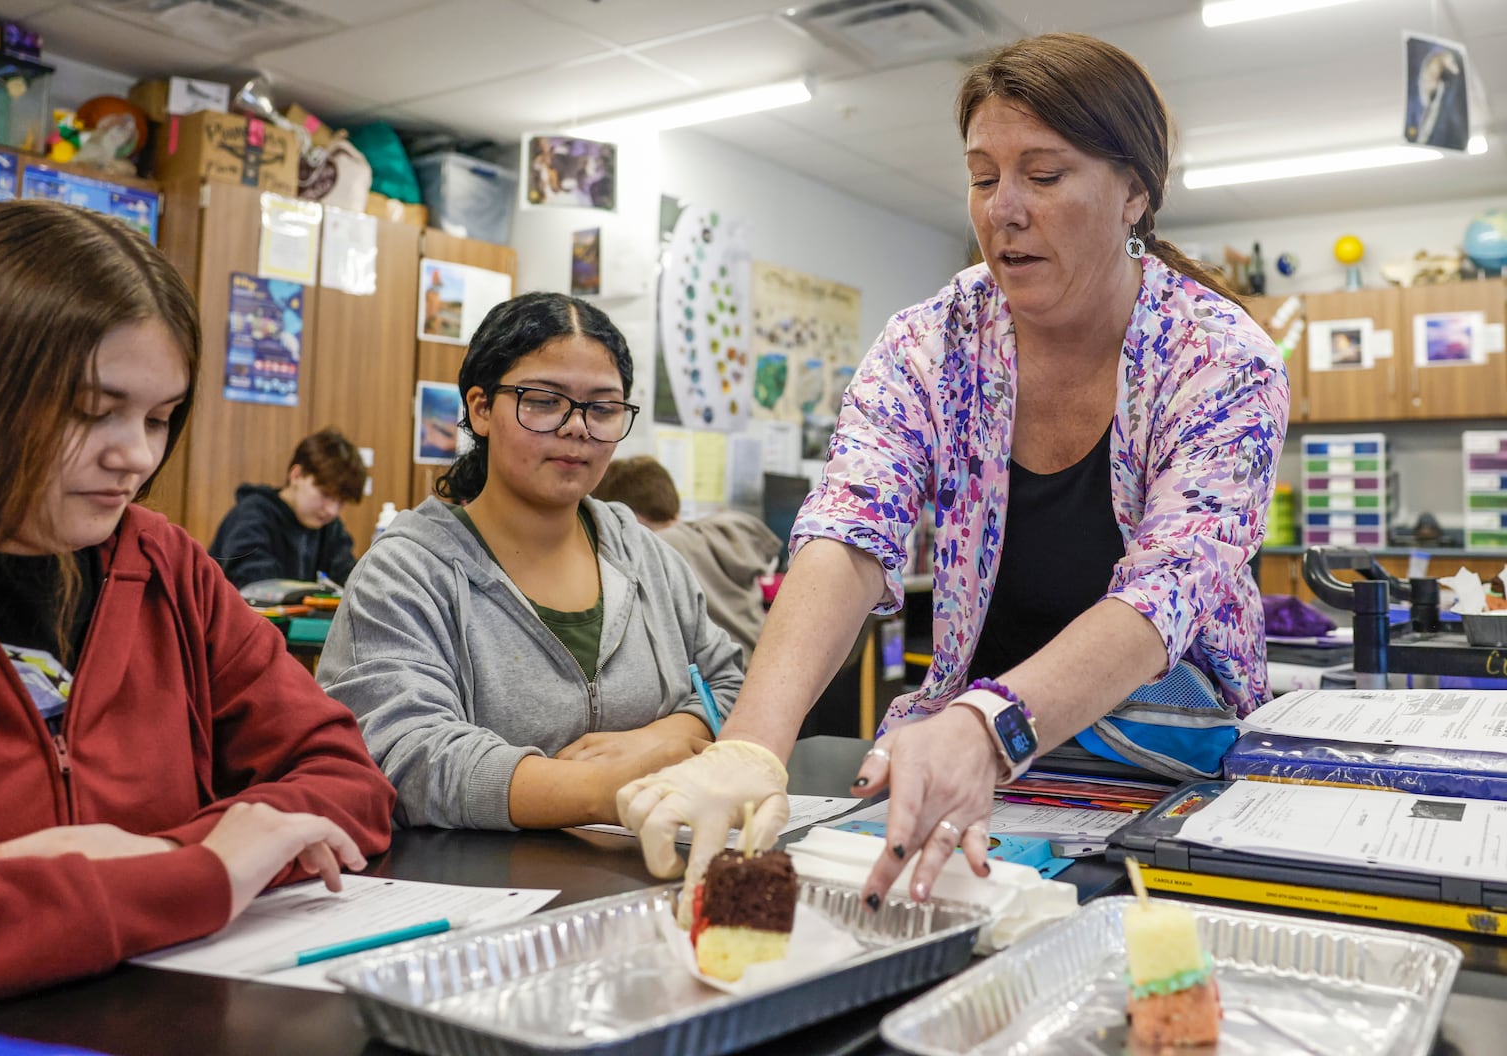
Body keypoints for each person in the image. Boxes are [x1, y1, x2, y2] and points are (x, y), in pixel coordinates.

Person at [618, 34, 1287, 909]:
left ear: (1134, 192)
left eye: (1043, 176)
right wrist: (750, 746)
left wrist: (989, 725)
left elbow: (1169, 587)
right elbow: (850, 527)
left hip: (1163, 765)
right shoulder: (931, 341)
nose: (1003, 208)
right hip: (982, 760)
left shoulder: (1221, 357)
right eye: (982, 175)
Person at [0, 201, 396, 1009]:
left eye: (160, 418)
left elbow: (347, 780)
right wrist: (200, 873)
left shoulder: (166, 563)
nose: (134, 455)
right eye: (91, 410)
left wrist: (159, 864)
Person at [317, 292, 742, 831]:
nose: (577, 427)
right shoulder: (406, 574)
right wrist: (604, 789)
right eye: (543, 400)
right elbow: (402, 755)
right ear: (480, 409)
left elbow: (727, 683)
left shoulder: (646, 557)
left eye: (603, 408)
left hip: (644, 872)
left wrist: (665, 737)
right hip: (472, 891)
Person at [592, 456, 783, 662]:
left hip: (716, 680)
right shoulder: (720, 533)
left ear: (627, 515)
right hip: (762, 666)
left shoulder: (653, 552)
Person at [209, 427, 366, 588]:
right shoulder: (252, 515)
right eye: (325, 495)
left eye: (341, 502)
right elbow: (256, 585)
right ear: (296, 475)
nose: (332, 510)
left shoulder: (331, 527)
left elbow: (349, 579)